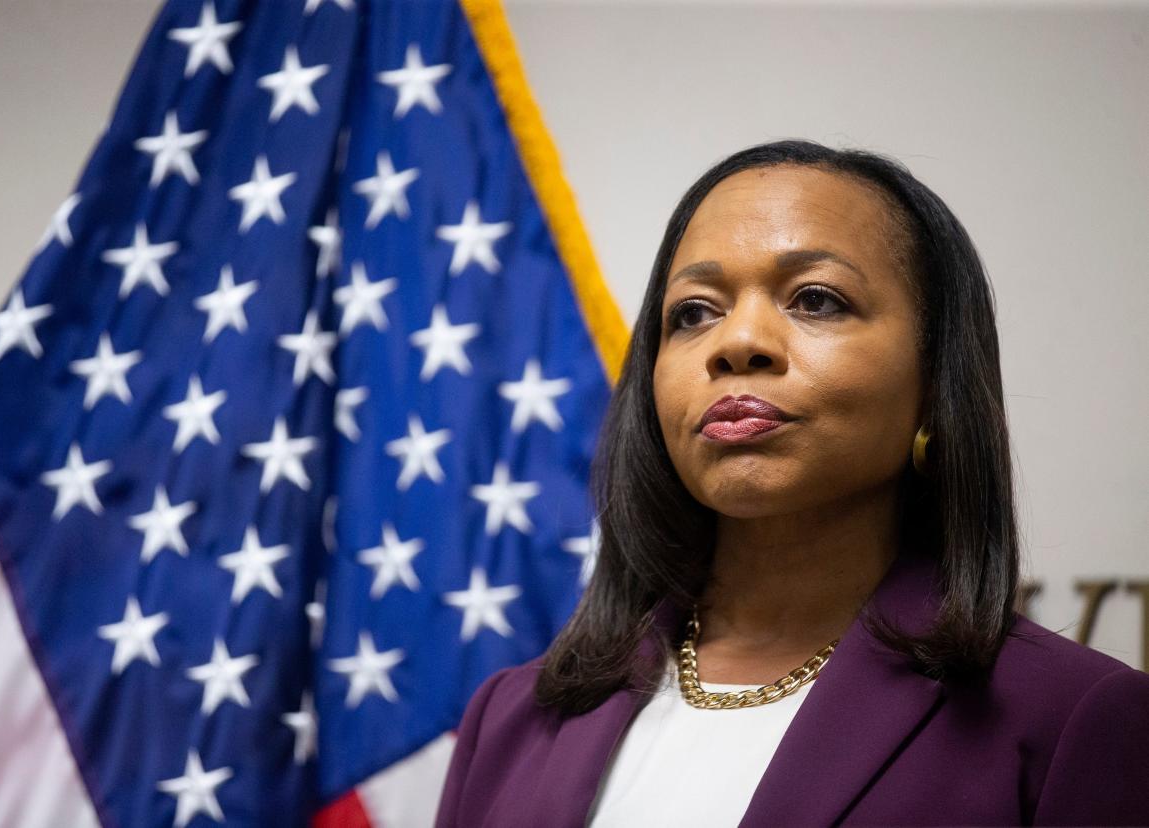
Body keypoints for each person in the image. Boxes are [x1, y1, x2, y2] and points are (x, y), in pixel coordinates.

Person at [434, 139, 1149, 827]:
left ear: (935, 382)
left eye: (816, 299)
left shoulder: (1073, 720)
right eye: (693, 313)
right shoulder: (510, 718)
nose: (736, 342)